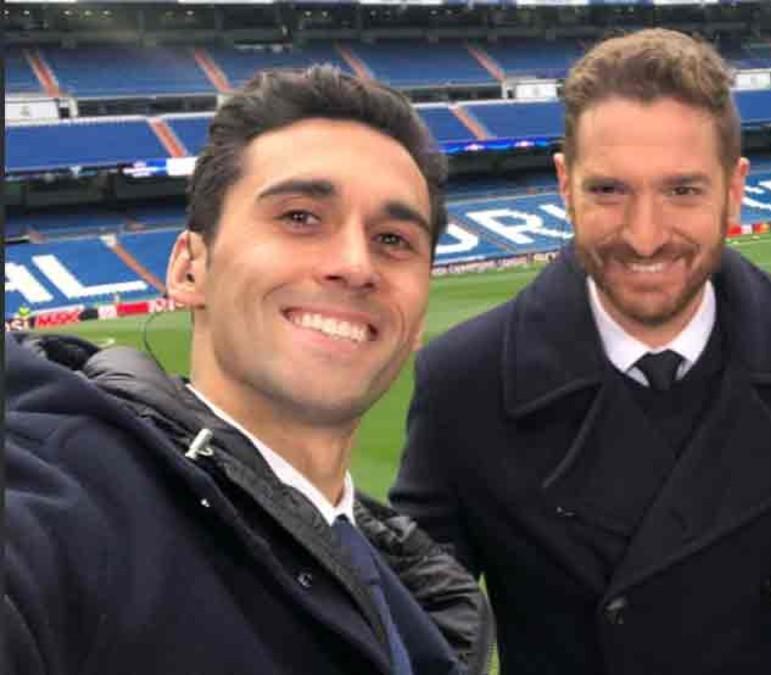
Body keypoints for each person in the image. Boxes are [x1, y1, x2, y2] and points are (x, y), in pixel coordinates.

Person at [389, 29, 771, 675]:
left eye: (682, 190)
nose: (645, 235)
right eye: (609, 190)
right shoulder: (465, 378)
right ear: (565, 184)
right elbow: (416, 629)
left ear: (735, 189)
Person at [4, 66, 492, 675]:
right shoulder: (67, 505)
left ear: (418, 313)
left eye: (394, 239)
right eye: (299, 217)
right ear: (189, 268)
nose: (354, 264)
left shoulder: (408, 590)